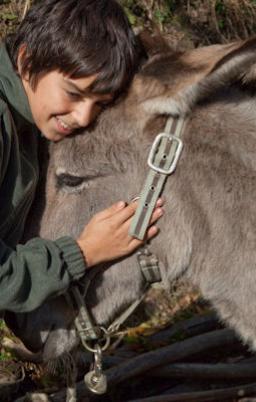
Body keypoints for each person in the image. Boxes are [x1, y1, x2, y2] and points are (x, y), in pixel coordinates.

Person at [0, 0, 163, 313]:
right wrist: (84, 252)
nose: (84, 117)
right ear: (26, 60)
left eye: (100, 103)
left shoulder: (26, 119)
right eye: (73, 94)